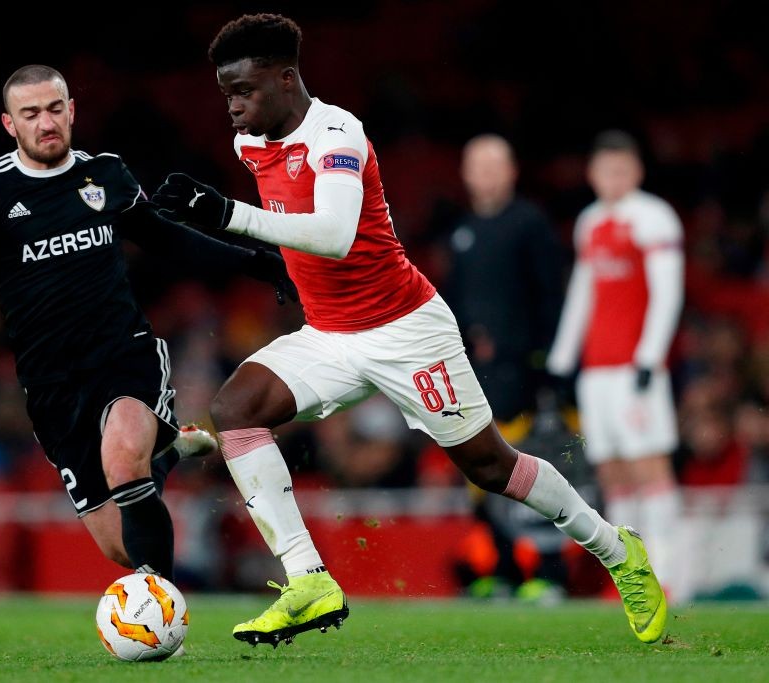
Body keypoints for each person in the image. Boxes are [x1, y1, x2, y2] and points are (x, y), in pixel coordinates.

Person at [153, 14, 666, 646]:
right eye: (224, 92)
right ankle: (308, 579)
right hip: (331, 334)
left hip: (406, 330)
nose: (231, 106)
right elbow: (287, 227)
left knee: (489, 467)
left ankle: (617, 551)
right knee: (236, 407)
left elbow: (337, 234)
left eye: (244, 91)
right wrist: (234, 240)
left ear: (286, 79)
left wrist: (227, 213)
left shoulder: (337, 132)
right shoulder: (252, 141)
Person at [0, 64, 294, 582]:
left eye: (54, 109)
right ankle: (168, 451)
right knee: (120, 545)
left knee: (120, 457)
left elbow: (167, 239)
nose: (45, 122)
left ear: (70, 110)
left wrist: (257, 261)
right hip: (50, 384)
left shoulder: (106, 174)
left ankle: (163, 616)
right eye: (31, 114)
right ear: (10, 124)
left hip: (123, 355)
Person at [547, 130, 685, 602]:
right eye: (606, 171)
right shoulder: (589, 222)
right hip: (597, 370)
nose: (613, 179)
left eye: (622, 170)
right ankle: (636, 577)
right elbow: (584, 293)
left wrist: (649, 357)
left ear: (637, 171)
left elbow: (668, 292)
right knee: (613, 472)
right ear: (592, 174)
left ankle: (668, 574)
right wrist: (562, 361)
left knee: (649, 466)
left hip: (634, 368)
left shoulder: (655, 218)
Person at [447, 134, 569, 600]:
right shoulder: (462, 230)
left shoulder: (531, 224)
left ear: (513, 170)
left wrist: (543, 362)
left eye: (495, 164)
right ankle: (500, 569)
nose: (486, 173)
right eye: (478, 164)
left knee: (536, 468)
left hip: (524, 375)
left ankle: (550, 571)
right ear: (465, 172)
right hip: (475, 376)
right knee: (483, 472)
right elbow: (451, 304)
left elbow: (552, 298)